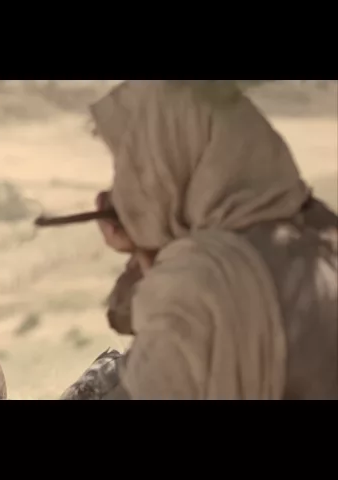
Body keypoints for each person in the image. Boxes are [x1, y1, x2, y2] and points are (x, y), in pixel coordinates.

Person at [61, 80, 337, 400]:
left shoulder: (205, 282)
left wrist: (146, 245)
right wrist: (145, 245)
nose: (124, 184)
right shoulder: (316, 226)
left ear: (166, 168)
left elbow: (145, 328)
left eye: (132, 167)